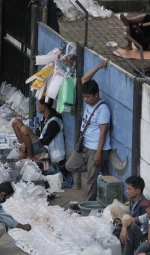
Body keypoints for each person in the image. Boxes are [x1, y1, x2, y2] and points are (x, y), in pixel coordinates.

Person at [65, 59, 111, 201]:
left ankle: (89, 204)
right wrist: (98, 67)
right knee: (70, 165)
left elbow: (103, 132)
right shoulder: (89, 101)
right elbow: (84, 79)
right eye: (84, 96)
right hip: (84, 146)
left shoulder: (103, 109)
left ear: (96, 95)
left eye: (88, 97)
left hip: (95, 149)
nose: (85, 99)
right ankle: (98, 168)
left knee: (91, 180)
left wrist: (98, 154)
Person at [11, 97, 65, 163]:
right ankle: (25, 152)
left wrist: (27, 143)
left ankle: (30, 156)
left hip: (47, 153)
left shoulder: (54, 121)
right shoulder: (45, 117)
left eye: (38, 104)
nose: (37, 106)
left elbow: (45, 141)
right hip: (40, 144)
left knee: (24, 130)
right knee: (16, 122)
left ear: (44, 106)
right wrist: (26, 142)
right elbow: (38, 133)